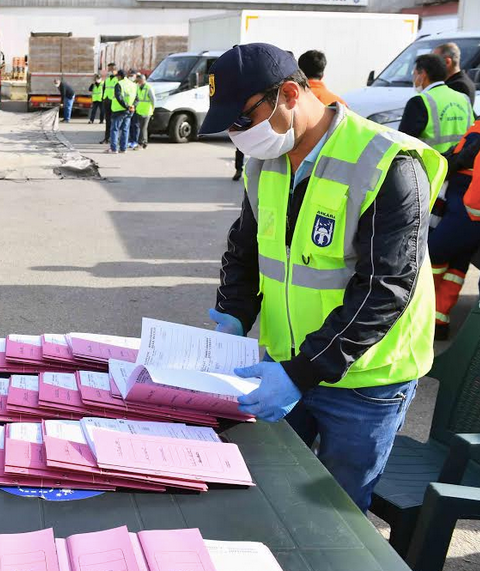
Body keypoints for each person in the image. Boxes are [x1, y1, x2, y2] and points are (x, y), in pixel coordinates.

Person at [202, 43, 445, 512]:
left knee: (335, 512)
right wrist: (233, 313)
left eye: (242, 121)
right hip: (286, 364)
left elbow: (385, 288)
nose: (238, 136)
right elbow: (246, 247)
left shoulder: (387, 163)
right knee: (268, 497)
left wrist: (302, 373)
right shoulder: (265, 162)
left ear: (289, 94)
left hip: (365, 382)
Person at [430, 117, 480, 339]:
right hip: (461, 200)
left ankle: (421, 314)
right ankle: (438, 320)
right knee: (457, 263)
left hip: (467, 205)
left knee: (433, 253)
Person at [399, 53, 473, 153]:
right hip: (460, 164)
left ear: (423, 74)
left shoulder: (419, 102)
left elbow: (403, 142)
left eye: (414, 74)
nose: (414, 78)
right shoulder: (463, 98)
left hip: (431, 166)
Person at [108, 69, 136, 153]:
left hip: (119, 110)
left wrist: (126, 106)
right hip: (130, 110)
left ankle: (114, 149)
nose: (116, 78)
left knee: (115, 129)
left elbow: (119, 97)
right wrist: (132, 106)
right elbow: (137, 97)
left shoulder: (119, 84)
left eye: (117, 76)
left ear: (119, 76)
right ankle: (123, 149)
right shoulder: (133, 84)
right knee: (125, 129)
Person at [131, 73, 155, 150]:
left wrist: (153, 109)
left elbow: (153, 99)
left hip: (147, 110)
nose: (138, 82)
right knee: (141, 127)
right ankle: (143, 143)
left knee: (143, 128)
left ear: (142, 80)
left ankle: (142, 143)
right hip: (140, 110)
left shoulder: (148, 87)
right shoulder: (138, 87)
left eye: (139, 80)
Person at [101, 63, 118, 144]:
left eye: (110, 69)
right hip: (107, 101)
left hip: (114, 102)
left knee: (114, 121)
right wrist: (103, 99)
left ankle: (114, 138)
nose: (109, 71)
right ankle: (106, 138)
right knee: (108, 121)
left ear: (114, 70)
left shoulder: (117, 79)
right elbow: (104, 89)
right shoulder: (107, 79)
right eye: (108, 69)